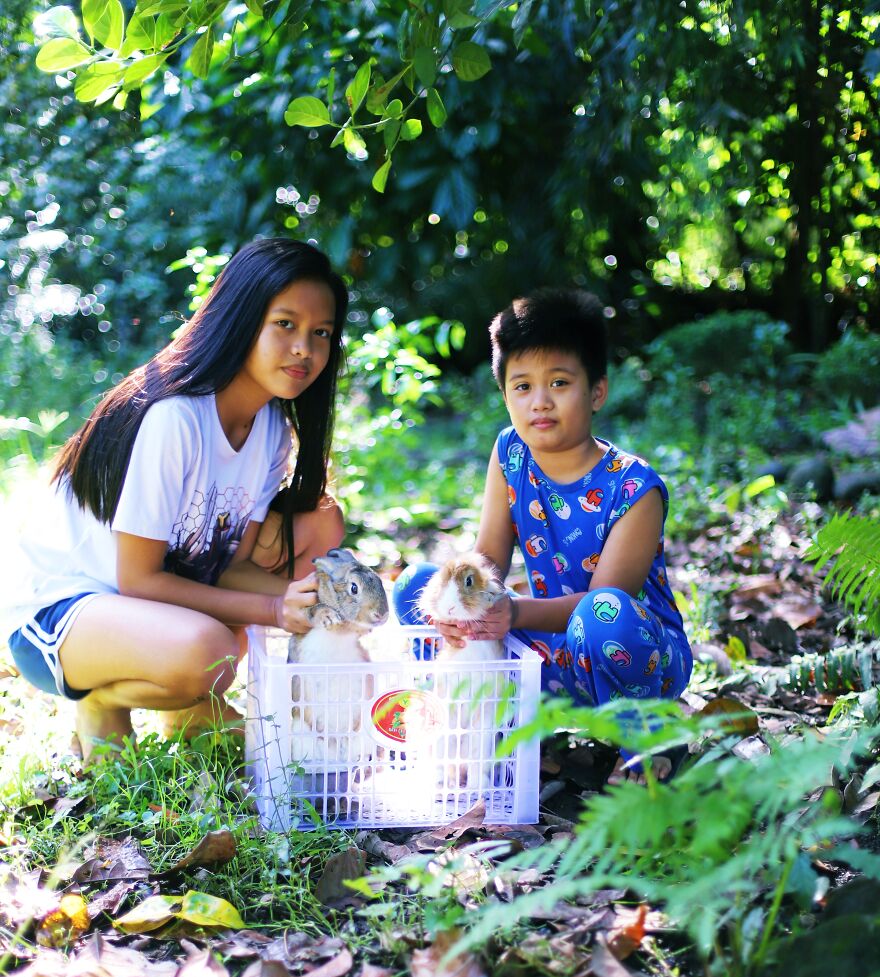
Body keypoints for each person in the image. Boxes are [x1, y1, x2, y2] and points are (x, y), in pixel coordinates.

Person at [4, 236, 348, 761]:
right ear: (241, 318)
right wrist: (274, 607)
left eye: (321, 332)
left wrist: (322, 604)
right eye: (285, 324)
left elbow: (231, 570)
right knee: (211, 651)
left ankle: (186, 709)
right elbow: (138, 579)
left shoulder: (271, 429)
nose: (305, 347)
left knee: (321, 524)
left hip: (140, 610)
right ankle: (102, 701)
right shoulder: (176, 418)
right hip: (61, 615)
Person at [394, 286, 692, 783]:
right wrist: (463, 613)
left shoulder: (635, 487)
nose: (540, 402)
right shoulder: (511, 451)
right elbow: (487, 557)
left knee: (605, 615)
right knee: (417, 589)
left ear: (596, 391)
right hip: (548, 644)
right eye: (522, 386)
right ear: (505, 394)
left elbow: (606, 599)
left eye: (558, 382)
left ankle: (649, 738)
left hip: (631, 652)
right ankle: (467, 727)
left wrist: (512, 611)